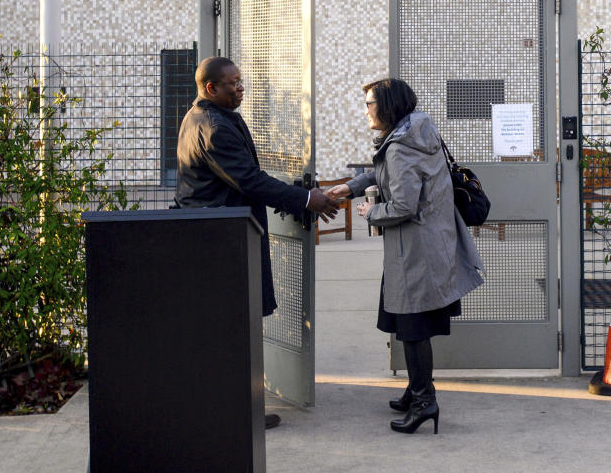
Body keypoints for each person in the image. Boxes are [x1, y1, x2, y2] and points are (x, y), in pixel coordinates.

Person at [175, 56, 339, 430]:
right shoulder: (212, 127)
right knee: (232, 326)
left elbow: (252, 177)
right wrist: (307, 200)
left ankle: (233, 405)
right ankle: (236, 411)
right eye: (232, 83)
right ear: (211, 88)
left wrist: (301, 197)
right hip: (221, 243)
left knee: (232, 324)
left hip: (222, 236)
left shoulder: (208, 117)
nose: (241, 87)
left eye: (241, 80)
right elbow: (250, 180)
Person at [325, 78, 483, 435]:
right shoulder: (415, 134)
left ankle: (425, 401)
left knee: (413, 329)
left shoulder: (400, 147)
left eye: (370, 103)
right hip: (426, 247)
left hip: (416, 253)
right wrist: (350, 188)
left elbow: (403, 205)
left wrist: (369, 212)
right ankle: (416, 389)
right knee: (410, 323)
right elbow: (385, 172)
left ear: (388, 105)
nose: (365, 109)